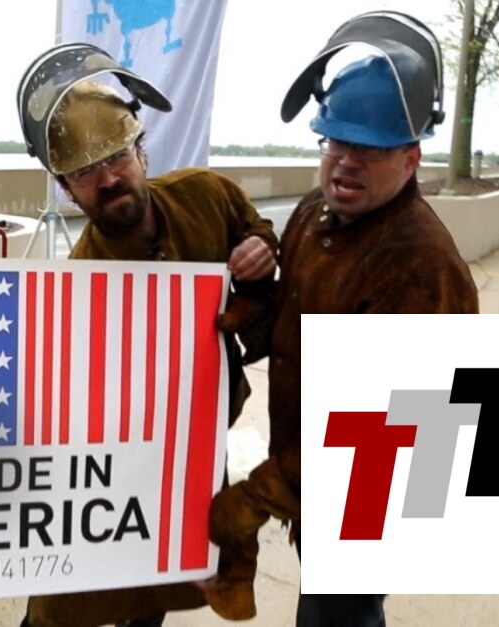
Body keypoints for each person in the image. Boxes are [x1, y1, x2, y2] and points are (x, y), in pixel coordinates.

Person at [205, 12, 479, 626]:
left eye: (371, 148)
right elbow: (295, 324)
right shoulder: (316, 214)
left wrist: (256, 498)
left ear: (411, 158)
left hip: (374, 496)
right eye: (335, 142)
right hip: (317, 484)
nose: (347, 162)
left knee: (338, 616)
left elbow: (374, 435)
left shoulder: (419, 266)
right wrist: (256, 296)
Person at [15, 43, 278, 627]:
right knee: (59, 609)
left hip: (190, 448)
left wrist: (261, 253)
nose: (108, 179)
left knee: (155, 595)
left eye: (116, 158)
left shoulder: (207, 196)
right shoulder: (80, 282)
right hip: (106, 469)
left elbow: (254, 228)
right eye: (85, 172)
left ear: (141, 151)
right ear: (66, 188)